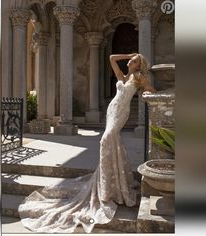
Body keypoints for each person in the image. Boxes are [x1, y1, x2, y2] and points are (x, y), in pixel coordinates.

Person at [18, 53, 156, 233]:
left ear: (139, 66)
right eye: (132, 59)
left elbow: (151, 90)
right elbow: (112, 58)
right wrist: (129, 55)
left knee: (107, 139)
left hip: (122, 112)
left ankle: (111, 185)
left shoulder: (138, 77)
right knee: (109, 142)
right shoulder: (124, 76)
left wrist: (154, 94)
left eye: (135, 61)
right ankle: (112, 181)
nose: (131, 61)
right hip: (112, 109)